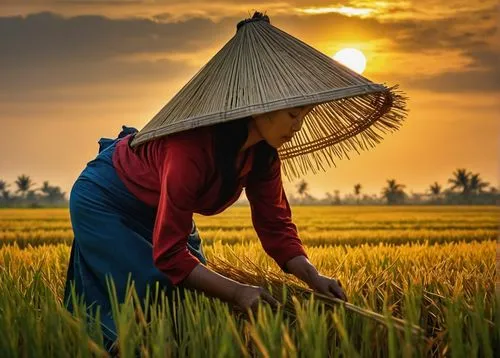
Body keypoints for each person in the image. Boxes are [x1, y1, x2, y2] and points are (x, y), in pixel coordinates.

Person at [63, 104, 348, 351]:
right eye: (293, 114)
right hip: (107, 200)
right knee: (153, 284)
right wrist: (238, 293)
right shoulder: (190, 147)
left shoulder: (264, 156)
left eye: (304, 116)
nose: (297, 127)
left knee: (192, 288)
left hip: (156, 203)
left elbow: (276, 225)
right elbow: (170, 254)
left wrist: (314, 278)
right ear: (262, 110)